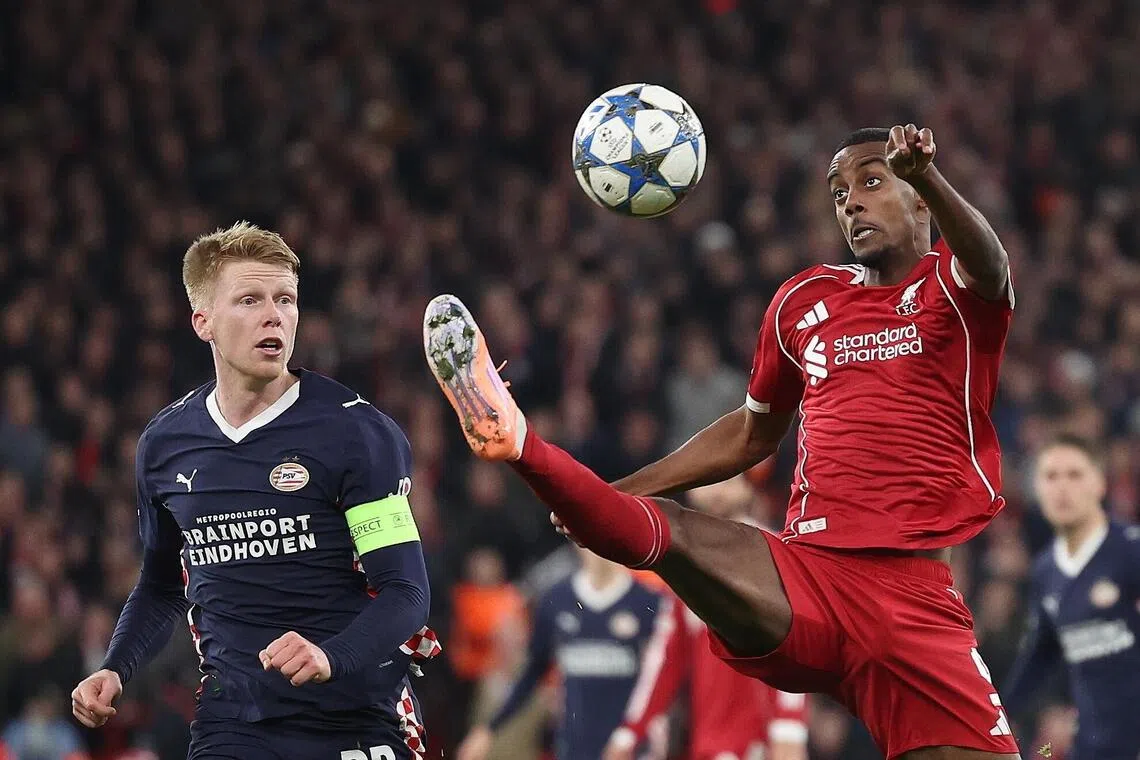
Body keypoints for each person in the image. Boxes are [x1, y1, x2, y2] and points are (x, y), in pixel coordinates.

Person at [424, 124, 1022, 760]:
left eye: (871, 181)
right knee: (676, 532)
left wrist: (928, 173)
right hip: (809, 578)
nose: (851, 202)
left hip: (914, 602)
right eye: (838, 192)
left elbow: (991, 264)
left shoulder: (954, 288)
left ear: (920, 200)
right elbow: (751, 431)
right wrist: (624, 491)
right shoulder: (803, 301)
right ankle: (517, 441)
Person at [70, 222, 439, 760]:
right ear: (203, 322)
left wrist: (330, 656)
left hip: (356, 712)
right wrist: (115, 667)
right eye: (250, 300)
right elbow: (162, 587)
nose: (274, 315)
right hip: (235, 719)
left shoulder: (356, 433)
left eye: (285, 299)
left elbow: (406, 591)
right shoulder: (166, 445)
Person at [603, 477, 809, 760]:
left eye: (729, 479)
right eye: (710, 481)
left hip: (760, 745)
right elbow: (666, 657)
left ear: (748, 486)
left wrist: (788, 726)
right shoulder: (683, 559)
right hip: (707, 743)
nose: (716, 491)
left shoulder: (771, 553)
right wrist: (630, 732)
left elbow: (794, 646)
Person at [1003, 434, 1140, 759]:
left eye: (1075, 475)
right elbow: (1041, 653)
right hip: (1093, 747)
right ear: (1037, 488)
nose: (1062, 487)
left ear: (1099, 484)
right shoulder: (1045, 570)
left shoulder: (1132, 551)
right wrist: (999, 716)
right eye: (1051, 476)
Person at [456, 546, 664, 760]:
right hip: (574, 748)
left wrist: (647, 732)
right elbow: (532, 673)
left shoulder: (647, 602)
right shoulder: (557, 600)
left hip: (626, 749)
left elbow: (661, 677)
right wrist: (489, 729)